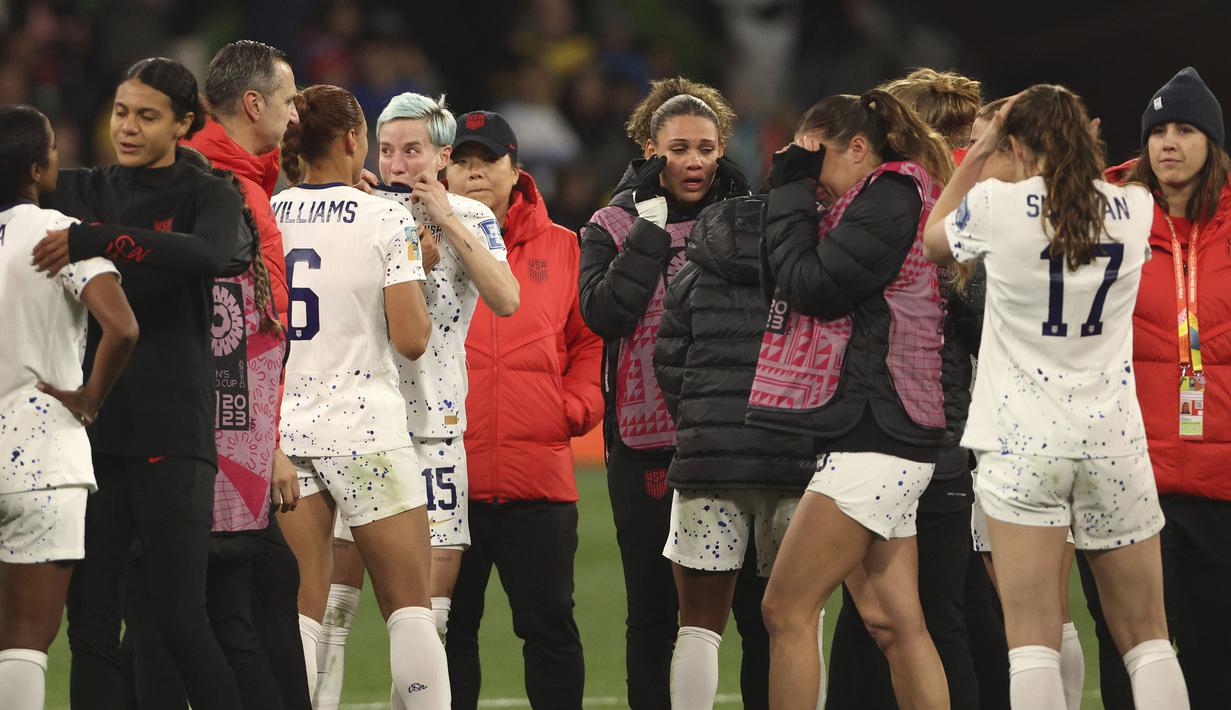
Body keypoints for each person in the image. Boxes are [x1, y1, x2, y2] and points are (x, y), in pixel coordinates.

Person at [922, 84, 1190, 709]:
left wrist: (979, 148)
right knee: (1148, 639)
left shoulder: (996, 205)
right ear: (1088, 138)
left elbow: (935, 239)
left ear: (1015, 144)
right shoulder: (1136, 207)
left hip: (1020, 445)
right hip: (1113, 441)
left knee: (1032, 645)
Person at [31, 56, 253, 710]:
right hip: (91, 434)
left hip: (171, 431)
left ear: (184, 123)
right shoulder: (83, 186)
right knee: (92, 623)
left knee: (181, 618)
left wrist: (100, 239)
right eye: (121, 111)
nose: (127, 127)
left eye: (147, 116)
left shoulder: (207, 192)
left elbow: (210, 254)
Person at [313, 94, 519, 710]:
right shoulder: (362, 215)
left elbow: (507, 299)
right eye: (388, 149)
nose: (398, 162)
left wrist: (443, 218)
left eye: (413, 150)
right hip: (360, 430)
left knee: (428, 619)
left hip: (435, 433)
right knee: (331, 613)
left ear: (442, 156)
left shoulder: (471, 218)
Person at [118, 39, 307, 710]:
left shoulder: (230, 186)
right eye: (287, 101)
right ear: (253, 104)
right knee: (222, 606)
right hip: (211, 443)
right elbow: (238, 336)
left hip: (198, 436)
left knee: (175, 609)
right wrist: (264, 443)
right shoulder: (228, 197)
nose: (294, 117)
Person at [752, 89, 954, 710]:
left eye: (816, 160)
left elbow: (813, 287)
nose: (807, 178)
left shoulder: (890, 196)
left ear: (859, 149)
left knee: (785, 609)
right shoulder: (863, 203)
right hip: (877, 428)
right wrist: (793, 197)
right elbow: (779, 279)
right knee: (895, 624)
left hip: (878, 428)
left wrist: (786, 196)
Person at [578, 76, 757, 709]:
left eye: (707, 148)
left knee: (756, 619)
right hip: (646, 441)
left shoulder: (748, 217)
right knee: (653, 613)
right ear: (651, 149)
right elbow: (603, 315)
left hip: (738, 438)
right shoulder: (612, 223)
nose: (695, 162)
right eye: (679, 148)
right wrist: (649, 235)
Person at [271, 83, 448, 709]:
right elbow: (410, 340)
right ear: (353, 139)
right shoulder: (386, 217)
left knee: (301, 613)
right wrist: (415, 269)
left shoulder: (269, 211)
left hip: (288, 434)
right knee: (409, 608)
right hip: (364, 430)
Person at [824, 68, 990, 710]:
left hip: (903, 439)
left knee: (891, 621)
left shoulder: (905, 213)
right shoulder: (963, 212)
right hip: (951, 444)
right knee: (936, 620)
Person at [1079, 66, 1231, 710]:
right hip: (1128, 475)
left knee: (1217, 655)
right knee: (1133, 656)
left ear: (1212, 143)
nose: (1169, 142)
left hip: (1222, 480)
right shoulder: (1104, 216)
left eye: (1186, 129)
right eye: (1158, 131)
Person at [444, 111, 603, 710]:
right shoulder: (416, 241)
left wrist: (573, 407)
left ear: (516, 170)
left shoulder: (565, 247)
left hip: (538, 476)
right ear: (445, 169)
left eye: (487, 159)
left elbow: (589, 342)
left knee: (550, 628)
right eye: (462, 159)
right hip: (449, 476)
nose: (475, 170)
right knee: (448, 632)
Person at [652, 187, 817, 710]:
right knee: (797, 621)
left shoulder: (692, 273)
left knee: (699, 626)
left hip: (707, 461)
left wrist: (703, 422)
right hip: (792, 462)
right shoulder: (807, 273)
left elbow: (669, 363)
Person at [0, 105, 138, 710]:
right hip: (42, 457)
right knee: (27, 641)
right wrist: (89, 397)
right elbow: (124, 328)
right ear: (37, 166)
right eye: (54, 148)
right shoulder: (60, 232)